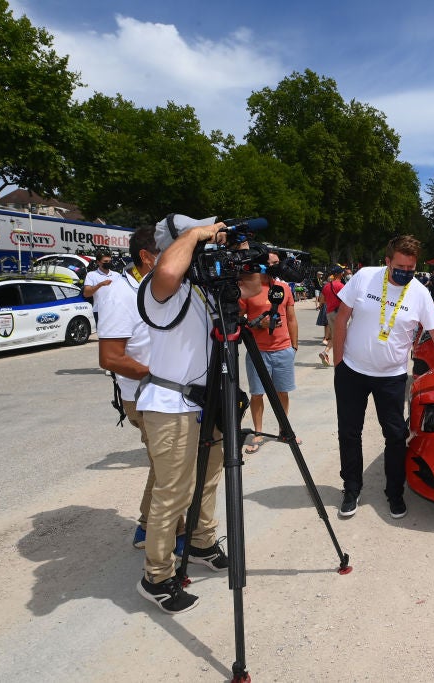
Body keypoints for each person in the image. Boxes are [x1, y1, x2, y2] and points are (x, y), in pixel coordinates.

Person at [134, 214, 262, 614]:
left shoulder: (204, 286)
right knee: (173, 492)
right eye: (199, 238)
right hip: (170, 404)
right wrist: (195, 233)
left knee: (208, 479)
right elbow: (168, 270)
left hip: (207, 401)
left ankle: (202, 541)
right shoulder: (158, 286)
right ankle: (157, 577)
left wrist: (239, 246)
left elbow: (252, 288)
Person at [332, 235, 434, 520]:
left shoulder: (419, 293)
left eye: (411, 268)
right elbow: (341, 318)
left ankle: (394, 493)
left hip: (391, 377)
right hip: (352, 371)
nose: (405, 272)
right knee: (349, 433)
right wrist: (339, 363)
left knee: (395, 436)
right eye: (400, 267)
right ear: (387, 261)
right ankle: (351, 488)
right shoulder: (365, 277)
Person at [95, 225, 185, 553]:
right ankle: (172, 538)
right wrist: (162, 376)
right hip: (145, 396)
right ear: (147, 257)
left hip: (169, 393)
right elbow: (110, 357)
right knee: (171, 468)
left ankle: (148, 528)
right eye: (170, 252)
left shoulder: (156, 288)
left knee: (166, 466)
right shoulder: (120, 294)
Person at [239, 269, 299, 454]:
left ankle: (284, 430)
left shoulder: (284, 288)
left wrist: (294, 347)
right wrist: (259, 324)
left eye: (274, 264)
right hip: (257, 352)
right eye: (268, 263)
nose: (271, 267)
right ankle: (258, 433)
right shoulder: (248, 289)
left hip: (283, 350)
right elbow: (238, 320)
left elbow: (291, 318)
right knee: (257, 394)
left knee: (282, 392)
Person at [83, 251, 122, 323]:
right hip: (99, 311)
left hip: (115, 310)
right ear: (98, 262)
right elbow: (86, 293)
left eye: (110, 261)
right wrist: (100, 285)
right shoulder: (91, 275)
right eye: (105, 261)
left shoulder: (117, 275)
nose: (108, 263)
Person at [320, 266, 345, 366]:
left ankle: (326, 353)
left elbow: (321, 300)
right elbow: (347, 300)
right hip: (339, 313)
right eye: (342, 272)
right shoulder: (341, 286)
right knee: (342, 336)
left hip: (329, 313)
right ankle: (339, 358)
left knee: (335, 336)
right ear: (340, 274)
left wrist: (331, 302)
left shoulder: (326, 286)